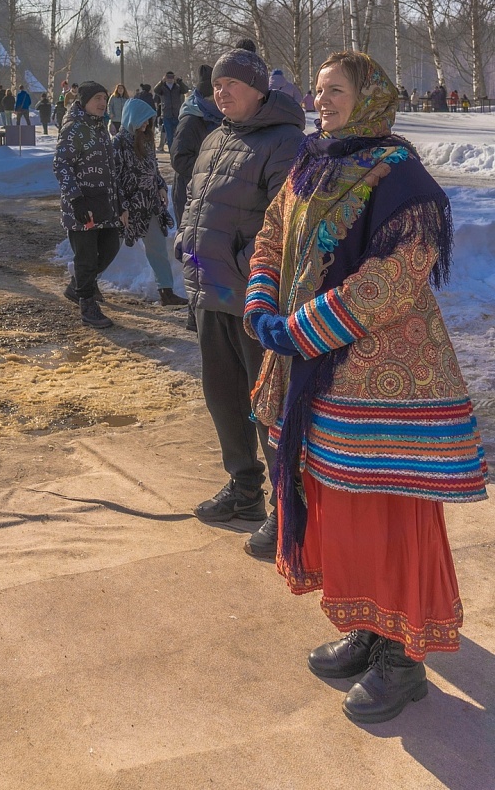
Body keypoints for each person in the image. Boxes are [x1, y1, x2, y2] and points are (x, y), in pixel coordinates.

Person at [245, 52, 487, 724]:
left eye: (337, 91)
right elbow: (272, 235)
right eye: (319, 90)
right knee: (343, 510)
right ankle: (372, 628)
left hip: (383, 381)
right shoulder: (312, 162)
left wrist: (302, 329)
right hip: (316, 371)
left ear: (371, 98)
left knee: (393, 515)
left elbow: (398, 277)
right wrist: (264, 304)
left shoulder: (400, 176)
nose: (322, 101)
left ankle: (405, 659)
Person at [175, 42, 304, 556]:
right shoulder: (215, 137)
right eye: (217, 85)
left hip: (254, 299)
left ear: (257, 90)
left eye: (231, 84)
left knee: (267, 404)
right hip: (210, 294)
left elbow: (284, 222)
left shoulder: (285, 142)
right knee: (223, 399)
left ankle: (285, 509)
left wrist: (240, 263)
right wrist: (189, 245)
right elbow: (195, 201)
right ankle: (244, 488)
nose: (220, 91)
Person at [53, 82, 125, 330]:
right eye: (97, 98)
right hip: (82, 206)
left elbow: (111, 170)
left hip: (104, 204)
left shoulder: (101, 128)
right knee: (85, 257)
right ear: (83, 101)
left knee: (110, 247)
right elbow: (61, 165)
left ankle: (78, 286)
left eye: (104, 98)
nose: (102, 102)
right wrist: (76, 199)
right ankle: (87, 303)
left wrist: (119, 202)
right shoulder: (74, 128)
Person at [114, 97, 187, 307]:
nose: (146, 125)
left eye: (149, 121)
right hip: (128, 206)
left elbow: (152, 169)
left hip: (149, 204)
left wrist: (161, 186)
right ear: (132, 118)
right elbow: (115, 178)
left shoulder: (146, 141)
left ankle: (166, 291)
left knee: (157, 248)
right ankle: (85, 285)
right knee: (111, 248)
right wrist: (122, 207)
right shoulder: (118, 143)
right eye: (143, 120)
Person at [171, 65, 221, 227]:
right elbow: (179, 159)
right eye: (216, 97)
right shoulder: (190, 121)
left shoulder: (218, 118)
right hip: (189, 193)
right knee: (191, 246)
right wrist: (211, 169)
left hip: (208, 191)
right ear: (207, 98)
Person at [157, 71, 188, 154]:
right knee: (169, 136)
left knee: (178, 135)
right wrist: (161, 82)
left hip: (177, 114)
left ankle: (178, 151)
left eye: (171, 77)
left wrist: (179, 81)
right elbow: (156, 90)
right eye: (168, 77)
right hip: (167, 114)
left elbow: (185, 90)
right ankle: (172, 153)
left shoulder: (177, 87)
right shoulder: (162, 88)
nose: (170, 79)